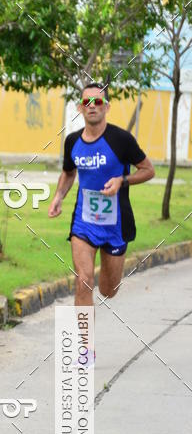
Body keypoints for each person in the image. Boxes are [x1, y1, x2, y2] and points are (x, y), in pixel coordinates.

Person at [48, 83, 155, 363]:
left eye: (98, 101)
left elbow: (148, 170)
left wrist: (123, 180)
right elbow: (69, 173)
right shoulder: (72, 141)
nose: (92, 106)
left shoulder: (121, 140)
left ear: (106, 106)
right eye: (87, 102)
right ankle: (86, 348)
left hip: (116, 224)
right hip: (84, 222)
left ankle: (109, 286)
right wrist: (59, 196)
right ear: (80, 108)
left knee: (109, 290)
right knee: (83, 280)